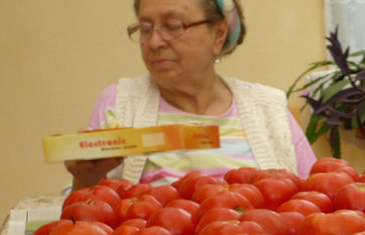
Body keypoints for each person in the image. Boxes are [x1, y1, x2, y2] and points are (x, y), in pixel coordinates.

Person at [66, 0, 316, 191]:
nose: (154, 42)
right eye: (145, 28)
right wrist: (86, 177)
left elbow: (312, 200)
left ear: (218, 35)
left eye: (173, 26)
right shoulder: (119, 103)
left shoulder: (267, 107)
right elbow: (87, 219)